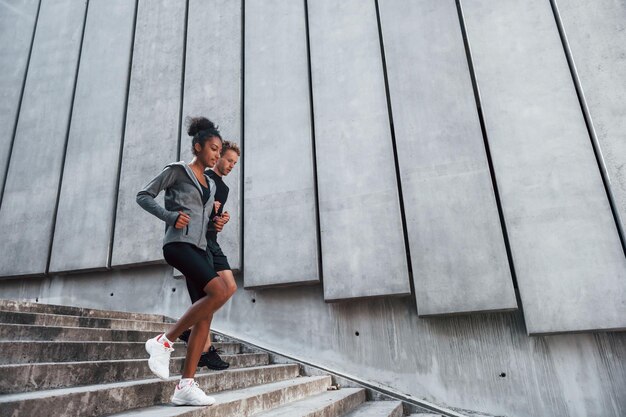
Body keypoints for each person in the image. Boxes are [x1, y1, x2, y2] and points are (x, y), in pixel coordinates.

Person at [136, 116, 231, 406]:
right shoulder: (177, 171)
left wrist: (217, 224)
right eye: (213, 149)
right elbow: (143, 196)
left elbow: (205, 225)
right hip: (178, 245)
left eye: (219, 150)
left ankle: (185, 386)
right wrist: (170, 217)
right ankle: (164, 341)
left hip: (200, 248)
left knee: (205, 314)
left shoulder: (211, 186)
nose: (217, 154)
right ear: (198, 146)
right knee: (220, 291)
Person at [178, 141, 240, 371]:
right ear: (218, 156)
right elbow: (192, 212)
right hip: (197, 244)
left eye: (235, 163)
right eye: (229, 160)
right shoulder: (203, 178)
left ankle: (191, 329)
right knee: (208, 295)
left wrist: (219, 221)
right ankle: (205, 349)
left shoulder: (224, 189)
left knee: (230, 286)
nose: (232, 165)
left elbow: (212, 219)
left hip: (212, 242)